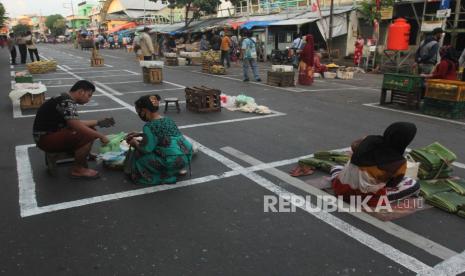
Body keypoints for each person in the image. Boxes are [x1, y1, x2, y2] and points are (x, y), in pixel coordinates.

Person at [33, 80, 115, 179]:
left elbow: (74, 122)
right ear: (81, 92)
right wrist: (101, 136)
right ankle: (77, 169)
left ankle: (84, 154)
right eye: (89, 95)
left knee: (90, 130)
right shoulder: (66, 101)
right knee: (88, 134)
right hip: (45, 139)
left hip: (49, 135)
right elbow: (76, 125)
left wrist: (99, 122)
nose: (89, 99)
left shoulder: (64, 98)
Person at [330, 122, 420, 207]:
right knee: (413, 184)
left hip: (340, 189)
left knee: (339, 168)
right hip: (365, 199)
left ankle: (338, 176)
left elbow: (354, 146)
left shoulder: (369, 139)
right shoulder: (399, 162)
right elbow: (392, 184)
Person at [126, 95, 193, 185]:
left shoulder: (149, 126)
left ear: (145, 110)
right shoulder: (168, 120)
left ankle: (165, 174)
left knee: (139, 155)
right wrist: (141, 134)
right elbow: (164, 135)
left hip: (171, 161)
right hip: (186, 157)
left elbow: (146, 149)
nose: (139, 115)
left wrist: (134, 143)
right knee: (169, 150)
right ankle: (176, 170)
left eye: (139, 112)